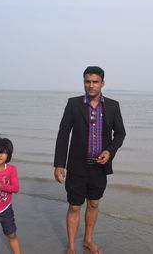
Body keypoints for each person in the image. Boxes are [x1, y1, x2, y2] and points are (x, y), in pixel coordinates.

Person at [54, 66, 126, 254]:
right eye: (87, 81)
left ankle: (87, 240)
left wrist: (109, 152)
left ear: (103, 83)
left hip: (99, 167)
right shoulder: (73, 104)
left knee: (94, 203)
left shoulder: (112, 106)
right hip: (77, 166)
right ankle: (71, 245)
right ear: (84, 82)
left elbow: (120, 133)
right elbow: (63, 134)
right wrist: (59, 164)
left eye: (95, 82)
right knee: (75, 205)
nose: (91, 85)